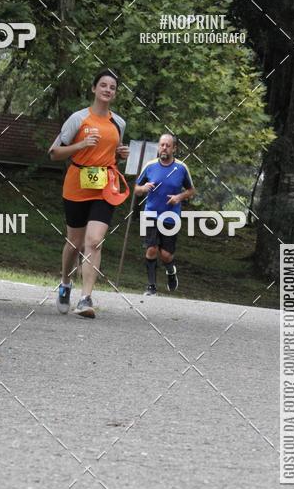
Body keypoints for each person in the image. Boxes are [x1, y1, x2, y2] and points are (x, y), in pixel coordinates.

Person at [49, 68, 130, 318]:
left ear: (115, 94)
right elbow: (54, 153)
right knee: (74, 243)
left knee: (94, 241)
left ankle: (85, 299)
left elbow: (109, 153)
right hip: (77, 184)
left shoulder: (119, 123)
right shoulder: (78, 118)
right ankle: (65, 283)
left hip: (105, 185)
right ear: (94, 89)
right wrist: (81, 144)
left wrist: (120, 155)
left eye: (112, 87)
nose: (108, 90)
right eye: (103, 85)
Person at [134, 133, 195, 295]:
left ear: (174, 148)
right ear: (158, 147)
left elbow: (191, 190)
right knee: (151, 249)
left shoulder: (181, 168)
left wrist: (179, 197)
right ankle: (151, 286)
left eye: (168, 145)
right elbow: (136, 189)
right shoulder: (150, 166)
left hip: (171, 216)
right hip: (151, 214)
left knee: (166, 255)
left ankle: (171, 271)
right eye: (162, 145)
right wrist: (143, 188)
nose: (164, 148)